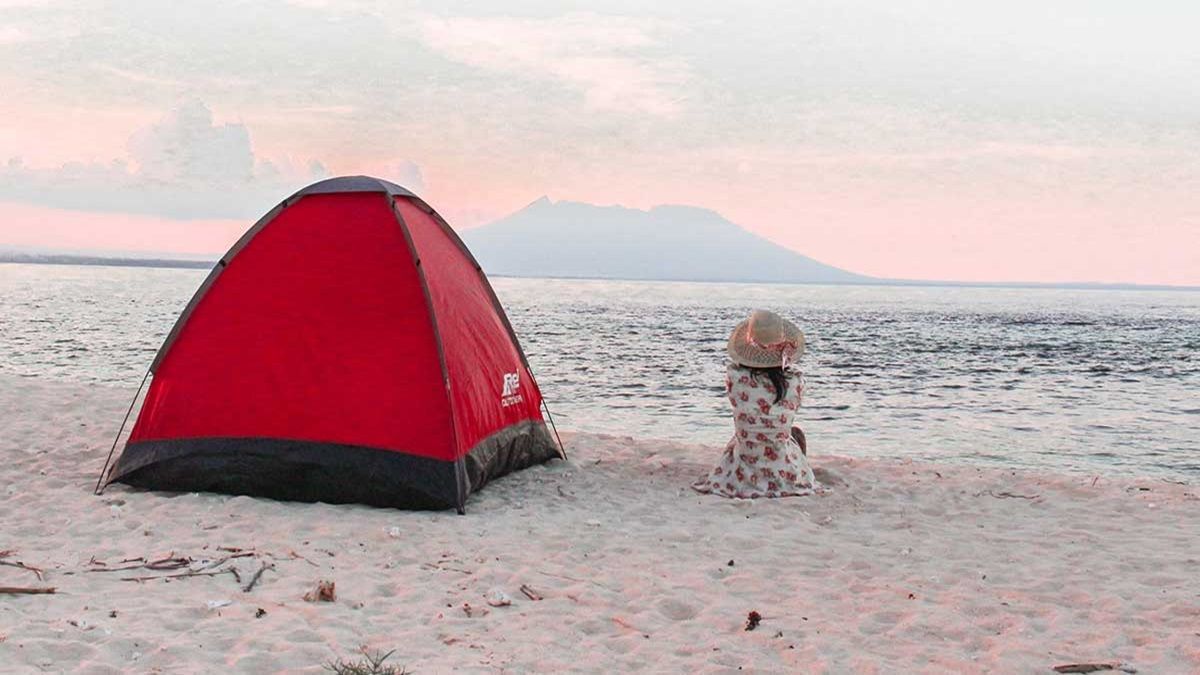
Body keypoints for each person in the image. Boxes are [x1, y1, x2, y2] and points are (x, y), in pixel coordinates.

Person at [693, 309, 816, 498]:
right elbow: (790, 410)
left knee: (743, 435)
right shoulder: (795, 382)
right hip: (782, 469)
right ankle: (789, 472)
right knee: (795, 433)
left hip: (742, 468)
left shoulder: (735, 379)